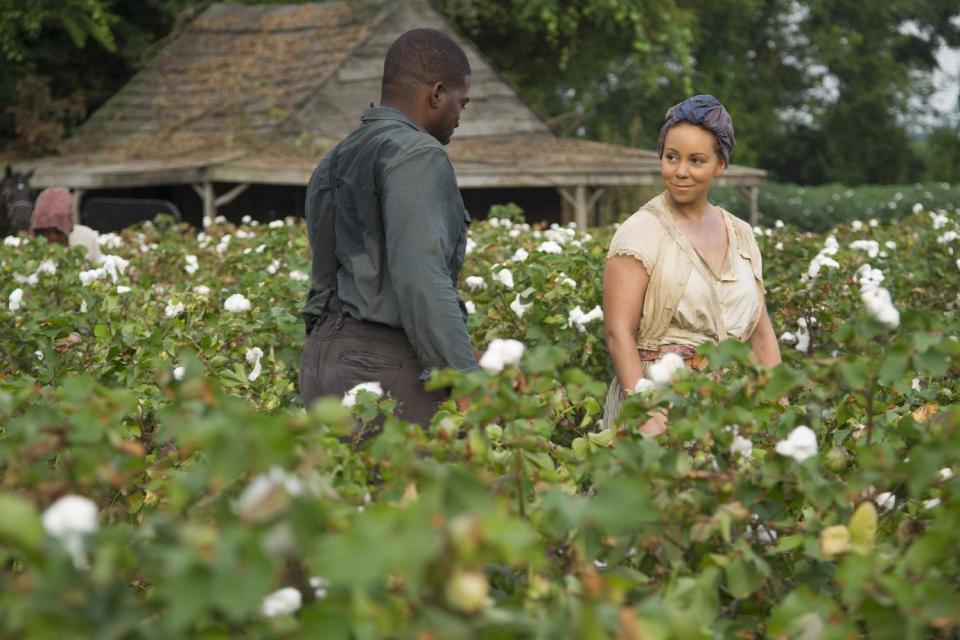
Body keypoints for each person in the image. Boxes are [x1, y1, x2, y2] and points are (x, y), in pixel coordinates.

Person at [299, 28, 477, 426]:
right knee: (411, 488)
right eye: (460, 103)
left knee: (334, 487)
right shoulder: (418, 153)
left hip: (321, 359)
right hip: (382, 367)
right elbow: (421, 280)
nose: (459, 119)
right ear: (436, 93)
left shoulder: (337, 155)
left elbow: (325, 279)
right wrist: (465, 380)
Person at [602, 95, 781, 432]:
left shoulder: (741, 234)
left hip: (726, 406)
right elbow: (618, 333)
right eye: (671, 158)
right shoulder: (642, 231)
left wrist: (778, 409)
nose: (680, 171)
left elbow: (761, 335)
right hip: (657, 398)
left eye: (696, 160)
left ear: (720, 165)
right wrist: (646, 412)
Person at [30, 186, 102, 264]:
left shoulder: (86, 237)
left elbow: (98, 266)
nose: (52, 237)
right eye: (46, 232)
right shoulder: (33, 249)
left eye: (58, 231)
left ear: (67, 226)